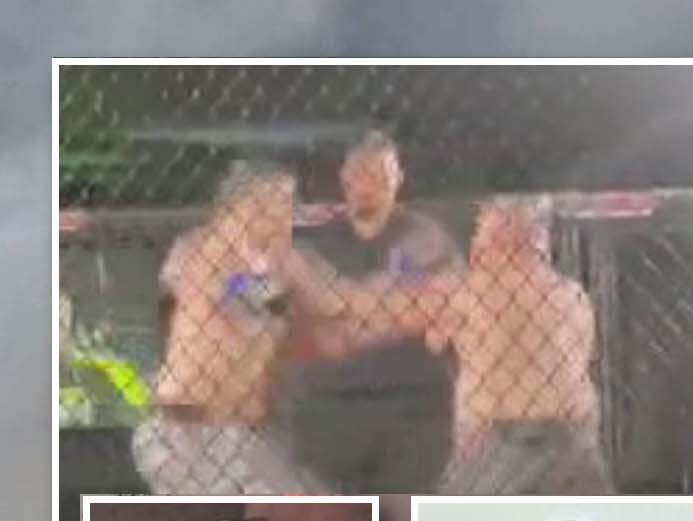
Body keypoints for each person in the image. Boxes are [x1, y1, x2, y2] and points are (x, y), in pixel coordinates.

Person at [293, 201, 612, 494]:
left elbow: (345, 302)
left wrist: (294, 262)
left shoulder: (466, 290)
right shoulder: (574, 296)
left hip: (498, 442)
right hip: (576, 438)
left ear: (499, 238)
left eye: (479, 230)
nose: (473, 241)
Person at [280, 129, 462, 492]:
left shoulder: (422, 238)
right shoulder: (319, 242)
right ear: (345, 178)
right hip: (328, 409)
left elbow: (428, 296)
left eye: (380, 175)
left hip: (411, 409)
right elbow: (265, 289)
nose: (369, 184)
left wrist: (331, 300)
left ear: (398, 181)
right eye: (361, 173)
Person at [133, 161, 326, 494]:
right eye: (272, 203)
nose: (284, 214)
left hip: (246, 436)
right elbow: (208, 293)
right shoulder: (199, 249)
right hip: (187, 434)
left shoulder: (278, 264)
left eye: (287, 204)